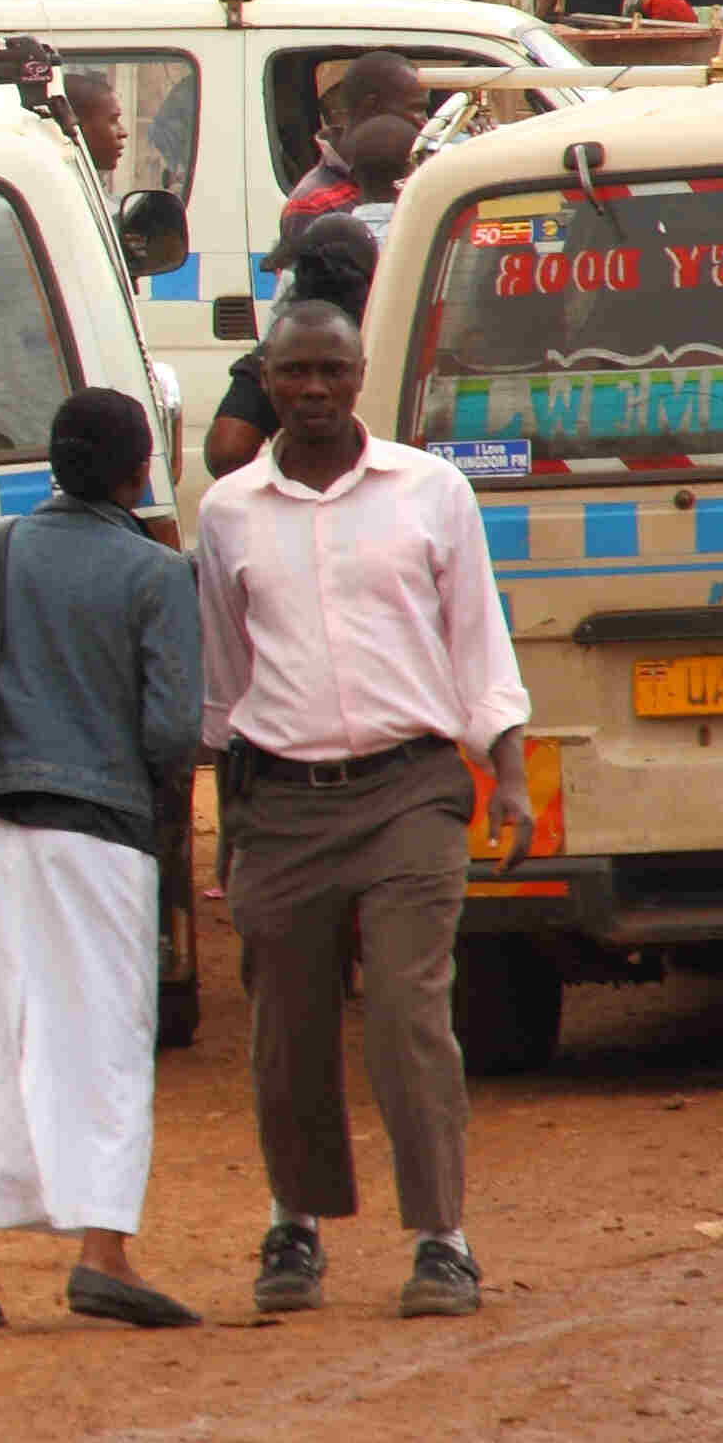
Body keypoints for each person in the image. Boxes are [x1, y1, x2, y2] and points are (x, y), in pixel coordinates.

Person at [194, 297, 532, 1323]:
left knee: (406, 1012)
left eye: (331, 373)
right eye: (293, 372)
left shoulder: (431, 492)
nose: (312, 391)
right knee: (284, 1028)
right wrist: (221, 820)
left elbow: (479, 640)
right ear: (266, 376)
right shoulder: (229, 514)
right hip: (282, 803)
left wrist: (507, 771)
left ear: (359, 374)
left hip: (411, 793)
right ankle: (294, 1221)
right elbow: (223, 678)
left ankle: (443, 1239)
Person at [0, 389, 205, 1334]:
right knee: (101, 1043)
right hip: (99, 833)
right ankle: (104, 1256)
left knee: (0, 1039)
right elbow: (172, 731)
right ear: (138, 472)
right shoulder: (154, 573)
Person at [203, 214, 386, 481]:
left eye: (334, 371)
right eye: (297, 372)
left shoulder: (277, 356)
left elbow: (226, 453)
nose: (317, 388)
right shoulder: (395, 339)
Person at [274, 51, 426, 247]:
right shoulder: (313, 203)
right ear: (371, 106)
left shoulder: (414, 171)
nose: (424, 121)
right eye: (415, 108)